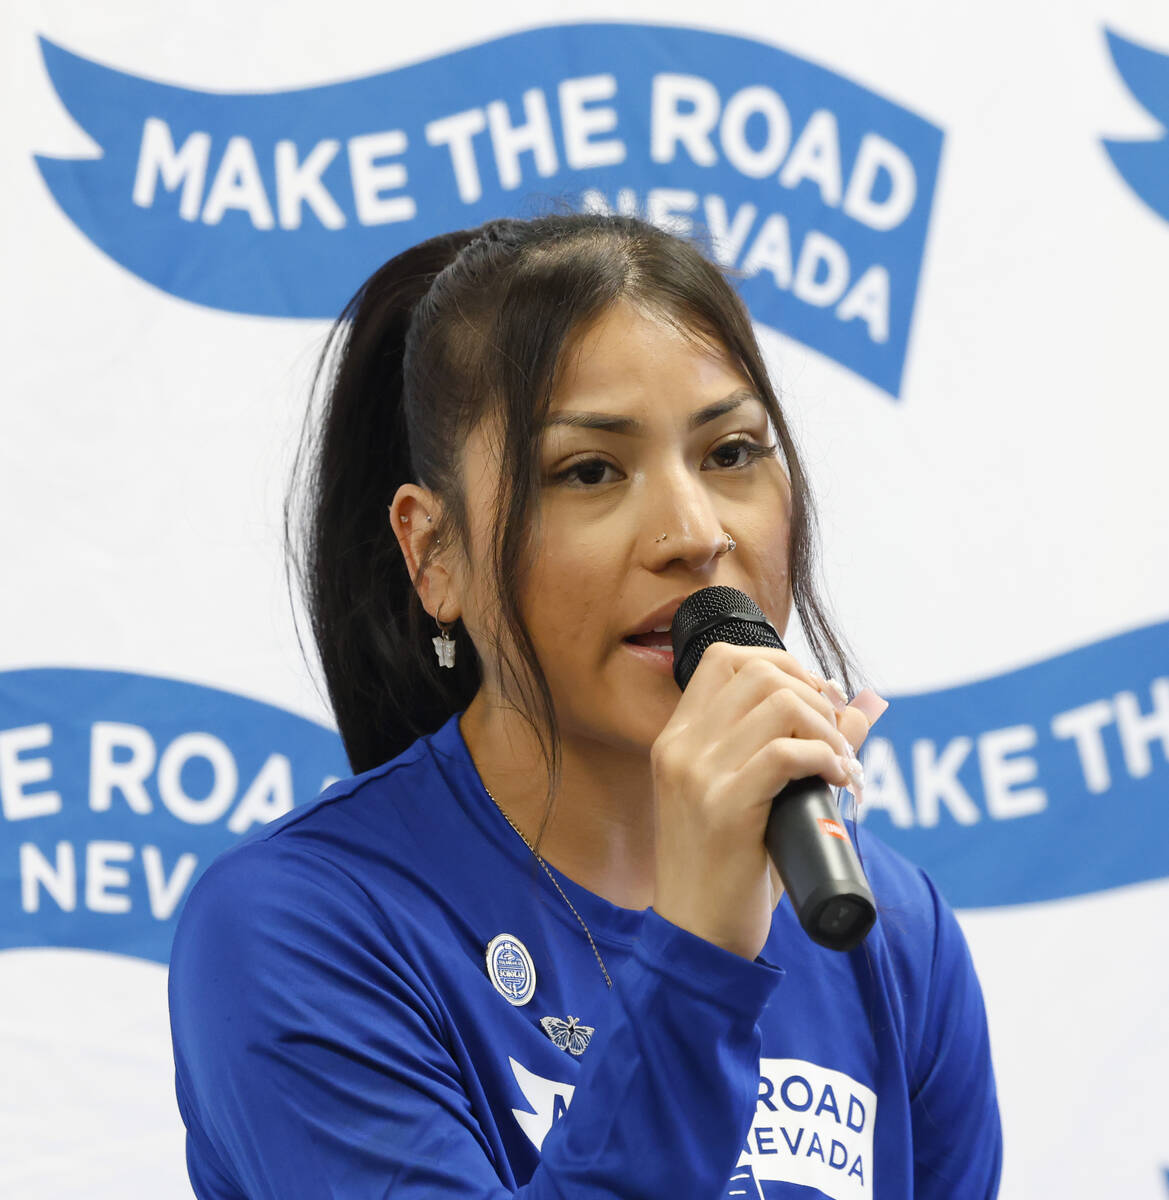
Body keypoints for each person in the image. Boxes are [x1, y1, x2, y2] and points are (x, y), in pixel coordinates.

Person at [168, 213, 1002, 1199]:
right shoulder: (300, 929)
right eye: (590, 472)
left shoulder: (887, 926)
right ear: (434, 554)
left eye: (731, 452)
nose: (693, 534)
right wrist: (700, 950)